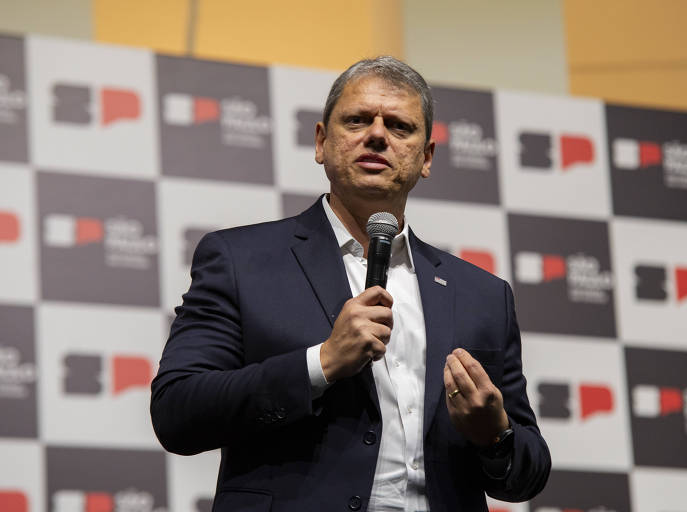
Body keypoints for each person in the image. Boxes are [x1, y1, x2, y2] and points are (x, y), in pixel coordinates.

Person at [151, 56, 550, 512]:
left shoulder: (482, 295)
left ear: (426, 159)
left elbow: (528, 475)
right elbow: (176, 413)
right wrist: (320, 363)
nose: (377, 134)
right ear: (321, 142)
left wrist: (494, 436)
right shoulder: (241, 261)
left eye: (399, 126)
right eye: (357, 120)